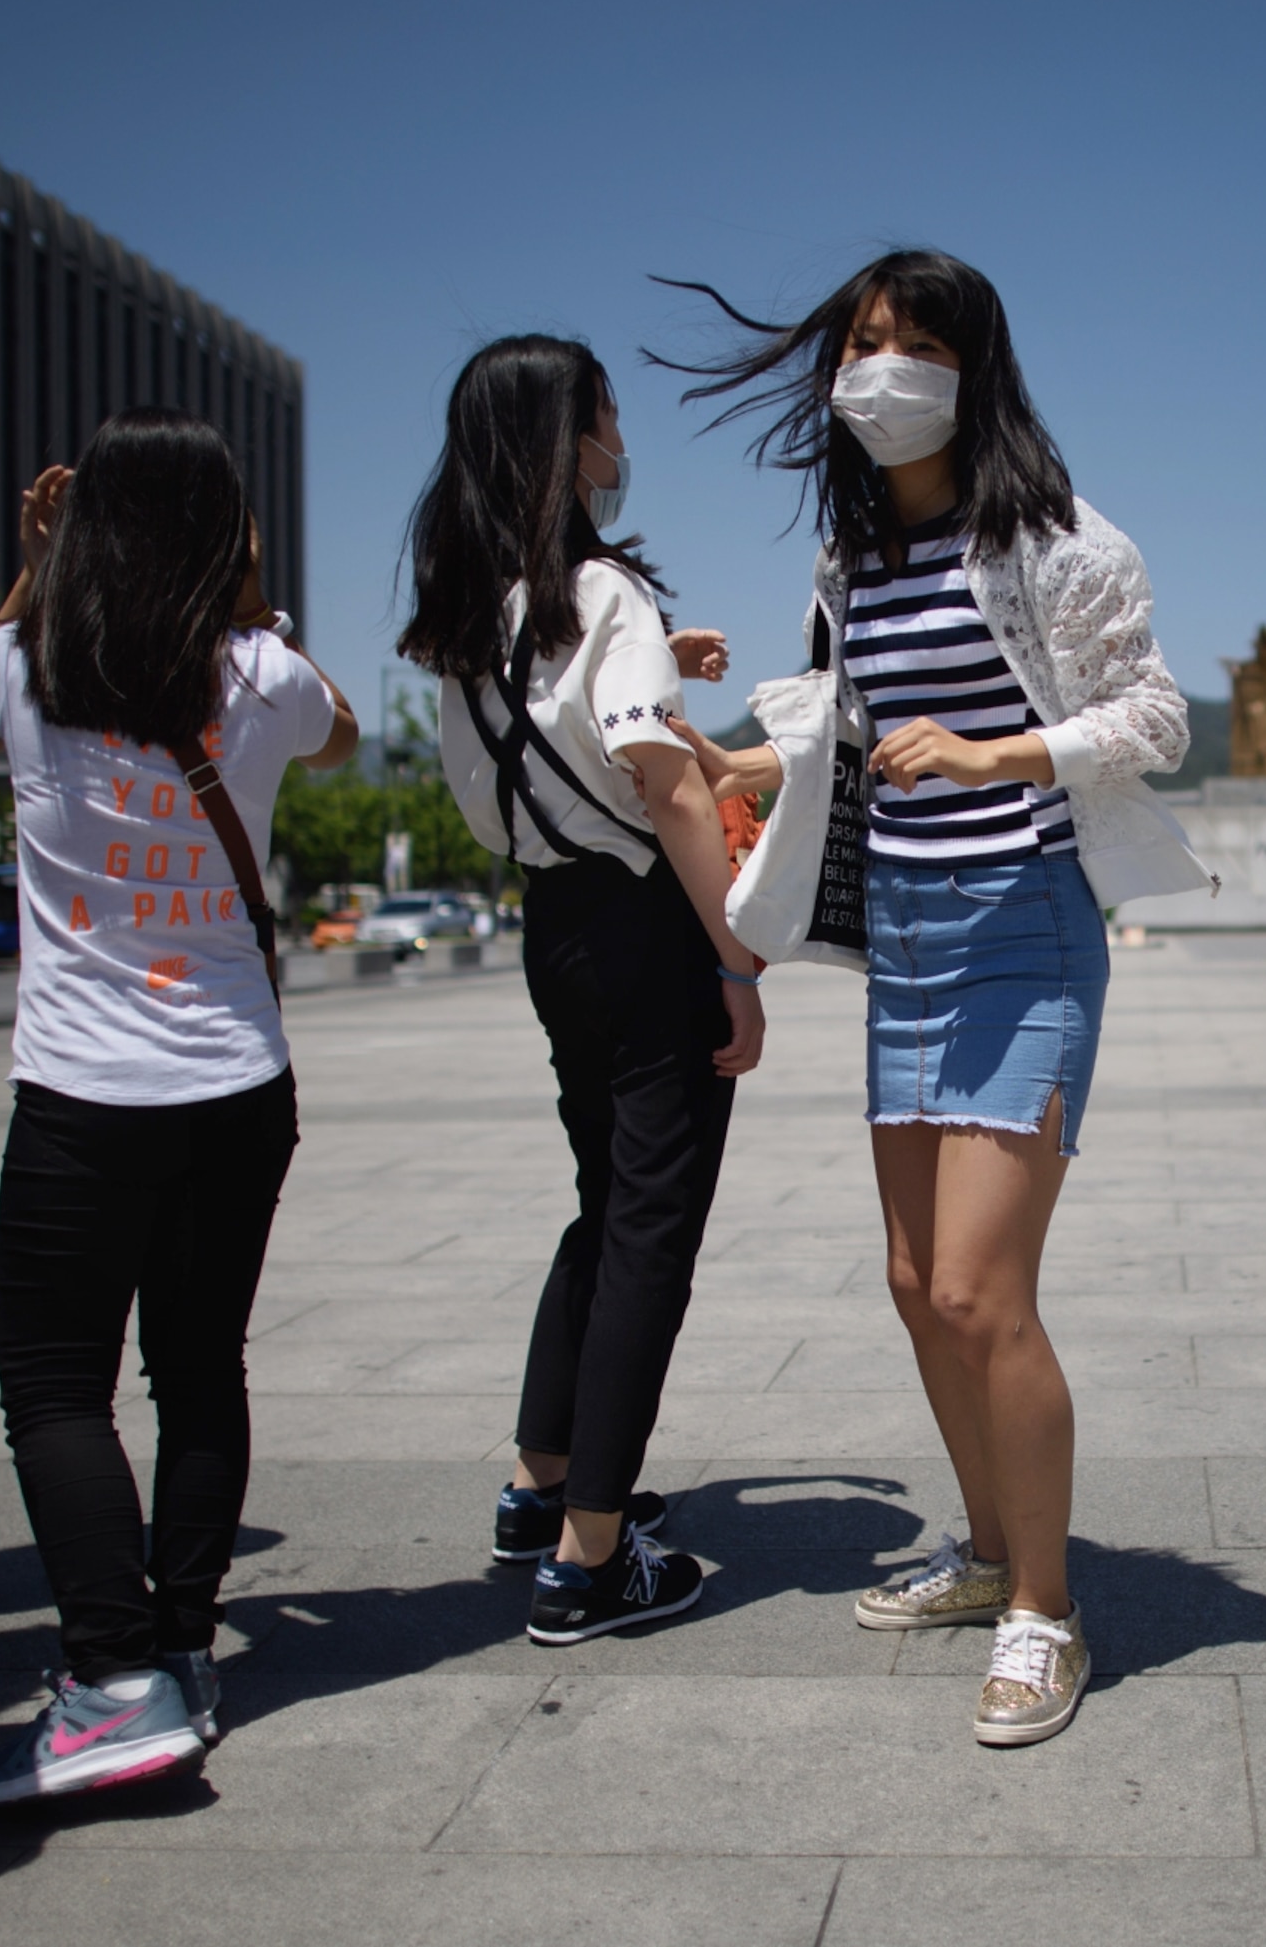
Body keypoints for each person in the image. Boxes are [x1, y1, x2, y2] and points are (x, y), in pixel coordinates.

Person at [661, 248, 1206, 1746]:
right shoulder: (853, 558)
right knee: (914, 1284)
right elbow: (851, 729)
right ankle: (984, 1551)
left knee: (978, 1289)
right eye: (857, 345)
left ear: (974, 370)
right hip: (903, 938)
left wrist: (994, 755)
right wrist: (729, 762)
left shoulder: (1059, 540)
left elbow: (1156, 714)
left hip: (1023, 930)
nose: (875, 372)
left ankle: (1048, 1608)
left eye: (910, 345)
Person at [0, 408, 360, 1803]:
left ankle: (112, 1677)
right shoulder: (265, 673)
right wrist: (249, 601)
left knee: (58, 1385)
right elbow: (346, 737)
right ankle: (182, 1647)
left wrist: (38, 564)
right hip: (238, 1085)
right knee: (199, 1369)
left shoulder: (23, 662)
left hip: (84, 1095)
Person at [409, 336, 763, 1644]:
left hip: (551, 925)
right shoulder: (601, 592)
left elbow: (561, 742)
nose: (621, 444)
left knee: (605, 1205)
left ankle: (542, 1483)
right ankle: (591, 1558)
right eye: (607, 419)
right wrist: (735, 962)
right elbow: (669, 791)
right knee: (650, 1232)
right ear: (567, 443)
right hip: (642, 928)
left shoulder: (468, 610)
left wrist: (663, 651)